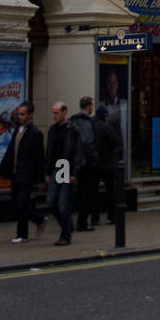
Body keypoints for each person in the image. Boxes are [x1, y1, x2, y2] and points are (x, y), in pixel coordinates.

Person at [0, 101, 47, 242]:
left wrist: (41, 179)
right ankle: (40, 219)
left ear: (30, 115)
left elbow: (40, 157)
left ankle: (22, 235)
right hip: (16, 172)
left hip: (27, 174)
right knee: (16, 204)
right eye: (19, 114)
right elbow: (10, 151)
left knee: (21, 204)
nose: (20, 117)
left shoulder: (36, 133)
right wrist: (1, 170)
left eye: (23, 114)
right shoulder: (18, 130)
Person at [46, 101, 79, 245]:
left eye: (56, 113)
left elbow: (78, 153)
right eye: (53, 113)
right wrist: (47, 172)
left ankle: (65, 236)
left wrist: (74, 173)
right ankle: (68, 225)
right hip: (55, 168)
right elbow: (49, 151)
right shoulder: (52, 129)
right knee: (51, 202)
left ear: (64, 112)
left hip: (67, 168)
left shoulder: (73, 129)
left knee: (63, 204)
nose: (54, 116)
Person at [70, 97, 100, 231]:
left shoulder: (71, 121)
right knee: (86, 192)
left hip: (67, 164)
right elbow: (88, 143)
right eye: (92, 105)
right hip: (85, 164)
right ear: (88, 106)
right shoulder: (87, 122)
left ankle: (67, 223)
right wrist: (95, 159)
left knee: (68, 193)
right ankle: (82, 222)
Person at [94, 104, 122, 222]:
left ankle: (95, 217)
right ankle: (112, 216)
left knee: (93, 191)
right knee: (110, 189)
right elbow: (116, 143)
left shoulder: (92, 126)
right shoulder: (107, 127)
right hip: (107, 163)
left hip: (95, 163)